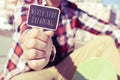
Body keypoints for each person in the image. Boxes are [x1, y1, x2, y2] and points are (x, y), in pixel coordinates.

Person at [0, 0, 120, 80]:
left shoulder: (71, 11)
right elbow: (26, 27)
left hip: (60, 70)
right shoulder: (28, 3)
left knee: (107, 42)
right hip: (27, 73)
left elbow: (109, 29)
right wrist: (33, 43)